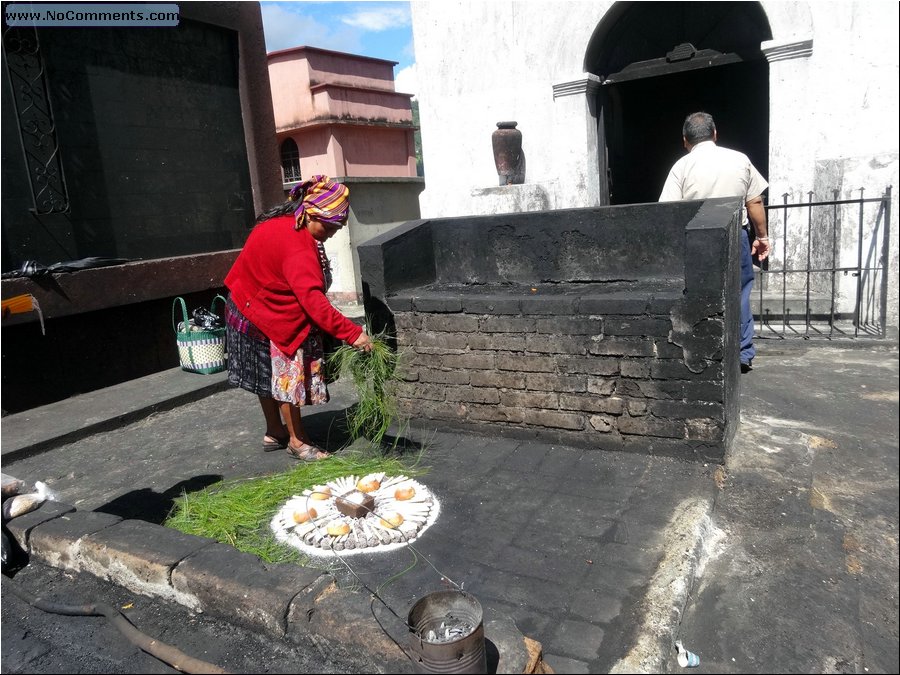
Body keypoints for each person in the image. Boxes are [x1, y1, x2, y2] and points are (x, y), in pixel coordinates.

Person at [224, 175, 371, 461]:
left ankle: (274, 430)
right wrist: (354, 333)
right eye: (329, 226)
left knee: (264, 375)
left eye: (338, 227)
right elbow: (314, 304)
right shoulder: (298, 247)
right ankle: (297, 440)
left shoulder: (283, 221)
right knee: (286, 376)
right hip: (262, 310)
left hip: (244, 303)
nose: (332, 232)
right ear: (312, 212)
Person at [659, 112, 771, 373]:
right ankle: (742, 352)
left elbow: (668, 211)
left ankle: (703, 349)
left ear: (685, 140)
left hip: (697, 240)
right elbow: (754, 201)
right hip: (736, 235)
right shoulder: (739, 159)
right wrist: (762, 237)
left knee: (699, 293)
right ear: (715, 133)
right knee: (740, 292)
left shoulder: (682, 166)